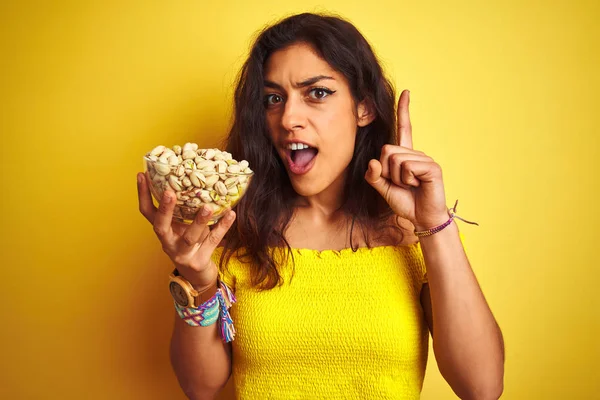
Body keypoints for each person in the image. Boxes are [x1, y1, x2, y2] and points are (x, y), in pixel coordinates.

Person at [136, 12, 505, 400]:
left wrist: (434, 224)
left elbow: (481, 388)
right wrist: (197, 281)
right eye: (273, 99)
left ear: (363, 107)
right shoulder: (232, 229)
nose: (288, 118)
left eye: (318, 93)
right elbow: (201, 387)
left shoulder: (414, 235)